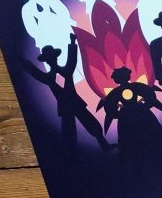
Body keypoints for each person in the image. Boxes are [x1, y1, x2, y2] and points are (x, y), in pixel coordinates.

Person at [23, 35, 111, 163]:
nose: (52, 60)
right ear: (47, 61)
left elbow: (72, 61)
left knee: (91, 123)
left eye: (53, 57)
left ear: (56, 57)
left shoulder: (66, 71)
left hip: (75, 102)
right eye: (49, 59)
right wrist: (25, 63)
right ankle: (71, 155)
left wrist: (72, 42)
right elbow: (36, 73)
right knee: (69, 131)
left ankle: (103, 145)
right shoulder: (49, 78)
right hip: (65, 107)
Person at [98, 66, 162, 168]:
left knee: (134, 138)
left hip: (128, 116)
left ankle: (140, 158)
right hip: (139, 113)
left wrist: (118, 114)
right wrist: (145, 105)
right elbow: (149, 94)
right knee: (149, 133)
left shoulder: (116, 92)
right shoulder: (135, 87)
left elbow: (109, 107)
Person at [18, 0, 82, 81]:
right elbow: (30, 27)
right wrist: (40, 35)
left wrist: (66, 22)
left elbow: (61, 9)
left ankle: (81, 70)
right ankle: (67, 78)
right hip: (44, 33)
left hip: (58, 25)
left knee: (68, 46)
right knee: (54, 55)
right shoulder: (26, 9)